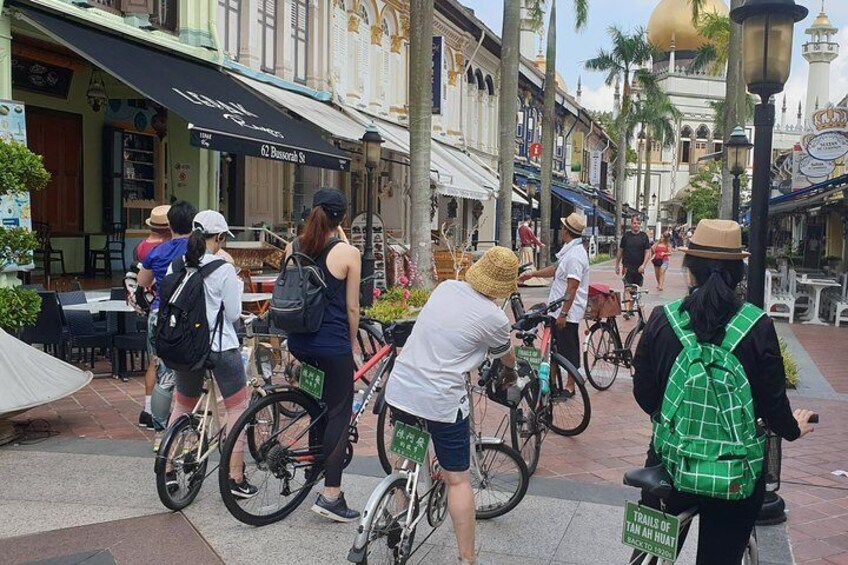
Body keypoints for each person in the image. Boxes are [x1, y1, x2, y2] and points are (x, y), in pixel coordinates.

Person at [632, 219, 817, 564]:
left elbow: (644, 394)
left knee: (654, 550)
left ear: (690, 271)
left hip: (669, 464)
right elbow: (774, 406)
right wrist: (794, 428)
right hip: (735, 477)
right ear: (739, 274)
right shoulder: (757, 325)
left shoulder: (662, 318)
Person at [385, 246, 519, 565]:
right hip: (441, 400)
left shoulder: (446, 288)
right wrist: (512, 371)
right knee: (457, 479)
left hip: (402, 387)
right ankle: (467, 559)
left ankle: (399, 516)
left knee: (404, 458)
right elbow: (506, 356)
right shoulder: (496, 319)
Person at [163, 210, 258, 499]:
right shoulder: (223, 269)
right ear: (217, 238)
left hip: (185, 347)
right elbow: (231, 314)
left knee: (182, 405)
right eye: (223, 239)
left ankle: (168, 471)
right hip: (220, 348)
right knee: (237, 408)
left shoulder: (175, 265)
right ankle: (235, 477)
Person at [284, 187, 363, 522]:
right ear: (341, 217)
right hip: (331, 345)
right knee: (338, 414)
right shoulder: (348, 253)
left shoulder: (293, 246)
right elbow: (352, 309)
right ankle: (331, 495)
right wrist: (352, 342)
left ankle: (313, 466)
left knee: (317, 404)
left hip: (299, 342)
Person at [138, 200, 197, 440]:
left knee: (162, 370)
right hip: (186, 316)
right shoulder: (196, 251)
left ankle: (159, 431)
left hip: (159, 313)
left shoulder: (157, 251)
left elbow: (142, 282)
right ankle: (186, 423)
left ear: (169, 225)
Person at [518, 213, 589, 397]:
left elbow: (572, 287)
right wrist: (533, 274)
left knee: (569, 349)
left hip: (567, 312)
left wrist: (564, 314)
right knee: (553, 348)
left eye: (563, 228)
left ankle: (570, 386)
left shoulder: (575, 256)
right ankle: (551, 383)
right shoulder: (569, 251)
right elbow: (555, 269)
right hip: (557, 309)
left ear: (566, 231)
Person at [132, 205, 171, 429]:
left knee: (153, 362)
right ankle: (162, 415)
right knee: (171, 369)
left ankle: (148, 409)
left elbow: (141, 280)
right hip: (167, 308)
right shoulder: (168, 249)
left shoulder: (141, 247)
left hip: (150, 308)